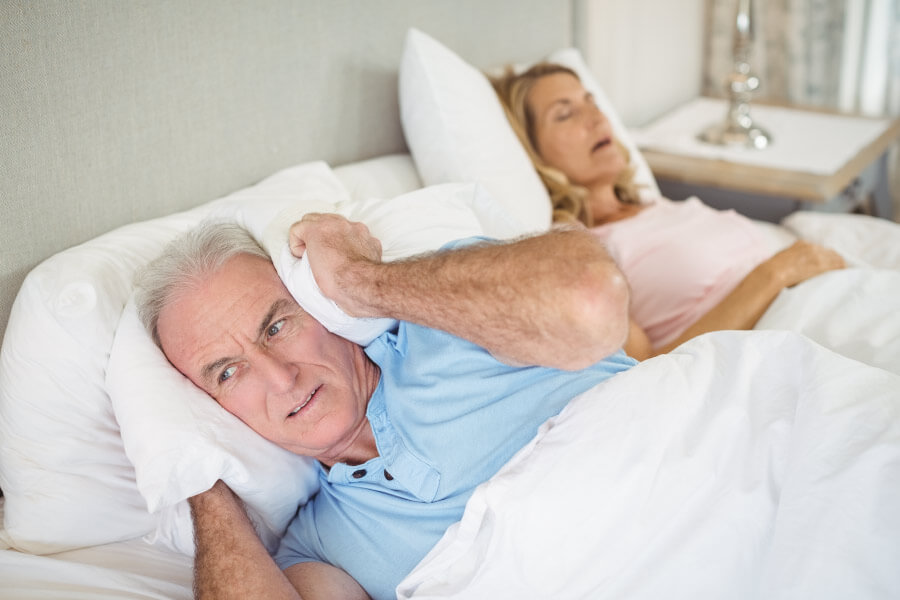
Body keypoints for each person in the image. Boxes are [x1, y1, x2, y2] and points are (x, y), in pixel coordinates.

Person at [134, 213, 637, 600]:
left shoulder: (450, 319)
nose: (280, 377)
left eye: (276, 326)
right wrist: (200, 478)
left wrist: (358, 279)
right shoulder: (321, 545)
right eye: (227, 372)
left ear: (314, 303)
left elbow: (590, 298)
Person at [491, 63, 846, 360]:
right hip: (785, 342)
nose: (596, 118)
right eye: (565, 114)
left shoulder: (652, 206)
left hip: (824, 305)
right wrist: (775, 273)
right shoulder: (582, 255)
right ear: (532, 153)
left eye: (592, 101)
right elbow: (651, 372)